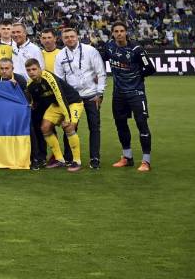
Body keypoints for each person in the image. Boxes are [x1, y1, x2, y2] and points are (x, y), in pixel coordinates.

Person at [102, 22, 155, 172]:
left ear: (126, 32)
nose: (119, 33)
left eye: (122, 31)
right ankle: (127, 157)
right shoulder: (109, 47)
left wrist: (138, 77)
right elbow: (100, 61)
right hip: (118, 94)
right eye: (116, 31)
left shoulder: (137, 49)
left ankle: (146, 161)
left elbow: (150, 68)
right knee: (121, 125)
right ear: (112, 33)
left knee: (142, 124)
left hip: (136, 93)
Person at [54, 27, 106, 169]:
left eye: (72, 36)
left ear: (77, 36)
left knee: (94, 127)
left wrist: (100, 93)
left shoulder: (90, 51)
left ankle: (95, 158)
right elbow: (59, 79)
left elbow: (101, 72)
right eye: (66, 37)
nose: (69, 39)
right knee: (69, 126)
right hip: (72, 98)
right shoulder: (60, 55)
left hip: (91, 95)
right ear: (62, 39)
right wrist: (63, 100)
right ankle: (69, 157)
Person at [24, 59, 86, 172]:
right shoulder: (30, 84)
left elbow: (60, 97)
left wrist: (67, 118)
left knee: (69, 127)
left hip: (73, 102)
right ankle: (59, 159)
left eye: (34, 69)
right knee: (45, 127)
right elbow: (33, 101)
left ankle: (77, 161)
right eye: (28, 70)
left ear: (40, 69)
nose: (31, 72)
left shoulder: (49, 78)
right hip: (56, 105)